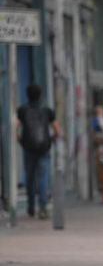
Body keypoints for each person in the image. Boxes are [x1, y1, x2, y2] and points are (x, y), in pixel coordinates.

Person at [16, 84, 61, 219]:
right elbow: (57, 130)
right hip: (43, 148)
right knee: (43, 177)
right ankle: (43, 208)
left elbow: (16, 129)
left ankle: (30, 207)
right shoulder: (47, 110)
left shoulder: (22, 110)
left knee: (29, 177)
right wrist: (51, 139)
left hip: (28, 148)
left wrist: (21, 141)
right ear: (40, 95)